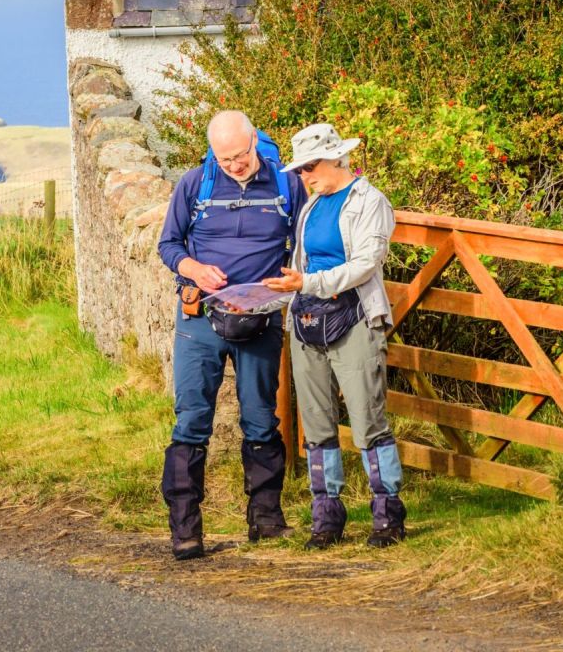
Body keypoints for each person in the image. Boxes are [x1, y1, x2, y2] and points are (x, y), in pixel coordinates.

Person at [156, 110, 307, 560]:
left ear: (255, 142)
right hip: (199, 319)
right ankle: (185, 530)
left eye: (241, 156)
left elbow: (304, 242)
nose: (235, 166)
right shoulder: (195, 184)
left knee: (261, 419)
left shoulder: (286, 184)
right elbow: (168, 245)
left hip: (260, 320)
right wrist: (195, 269)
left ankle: (266, 519)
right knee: (191, 421)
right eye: (225, 160)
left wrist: (292, 282)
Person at [262, 123, 407, 549]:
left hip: (354, 316)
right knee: (318, 424)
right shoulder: (311, 206)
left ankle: (387, 515)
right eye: (300, 169)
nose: (303, 176)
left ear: (335, 158)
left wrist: (306, 282)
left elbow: (365, 265)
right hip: (307, 319)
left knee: (367, 420)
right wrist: (294, 289)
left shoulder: (370, 201)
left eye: (309, 167)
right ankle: (326, 516)